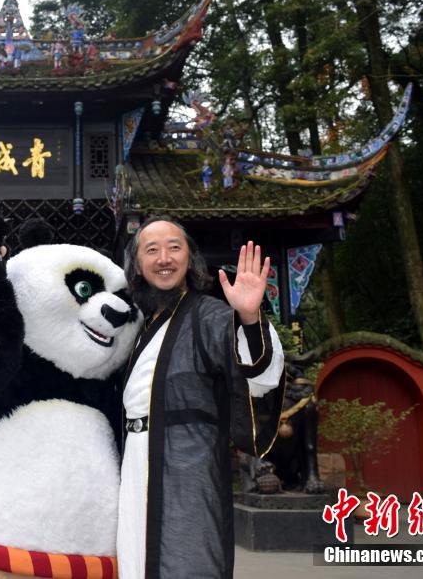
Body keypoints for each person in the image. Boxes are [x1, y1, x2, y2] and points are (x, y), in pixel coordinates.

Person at [117, 216, 285, 579]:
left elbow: (260, 376)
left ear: (190, 259)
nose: (164, 258)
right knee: (134, 561)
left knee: (189, 560)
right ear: (138, 266)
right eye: (152, 250)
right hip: (135, 467)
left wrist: (249, 317)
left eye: (174, 248)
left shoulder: (208, 316)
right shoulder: (140, 327)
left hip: (188, 470)